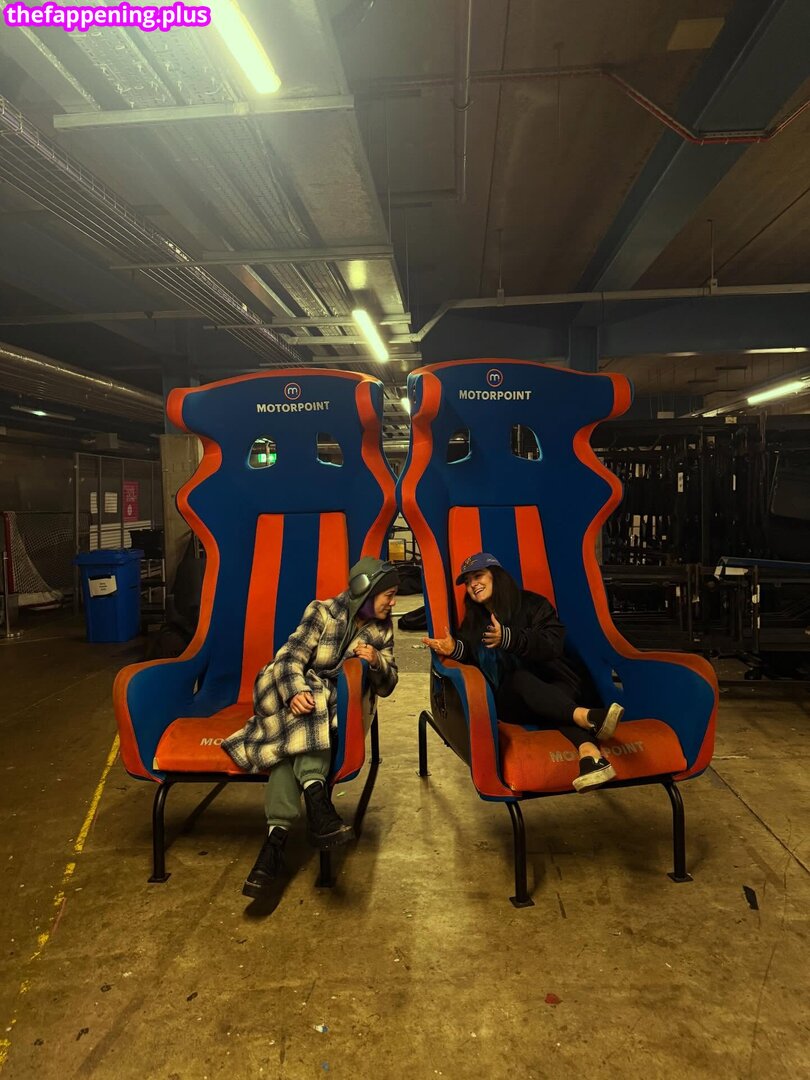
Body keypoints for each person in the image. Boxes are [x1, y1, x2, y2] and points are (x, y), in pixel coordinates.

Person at [223, 557, 399, 898]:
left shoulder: (382, 630)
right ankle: (318, 805)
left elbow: (389, 684)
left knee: (289, 748)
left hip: (322, 705)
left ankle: (274, 843)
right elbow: (289, 657)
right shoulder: (322, 611)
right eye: (388, 595)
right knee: (314, 703)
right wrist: (295, 691)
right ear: (365, 590)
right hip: (284, 688)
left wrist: (377, 661)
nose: (393, 603)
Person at [422, 552, 623, 792]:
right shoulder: (474, 619)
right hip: (510, 700)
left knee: (552, 701)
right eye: (467, 581)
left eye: (478, 576)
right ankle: (587, 717)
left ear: (496, 576)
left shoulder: (533, 604)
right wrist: (454, 648)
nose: (472, 584)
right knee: (522, 681)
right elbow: (471, 652)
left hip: (553, 684)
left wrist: (510, 638)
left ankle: (591, 757)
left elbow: (553, 644)